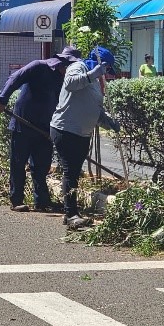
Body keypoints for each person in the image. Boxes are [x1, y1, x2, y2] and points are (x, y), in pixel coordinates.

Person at [0, 46, 81, 213]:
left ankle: (41, 201)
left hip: (45, 128)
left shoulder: (64, 79)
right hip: (23, 124)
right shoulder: (39, 66)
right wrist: (2, 99)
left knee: (41, 166)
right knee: (18, 164)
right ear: (63, 63)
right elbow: (15, 78)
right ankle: (16, 200)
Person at [50, 47, 120, 229]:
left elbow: (93, 108)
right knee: (70, 171)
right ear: (100, 64)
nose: (107, 73)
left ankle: (70, 213)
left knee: (74, 172)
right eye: (106, 68)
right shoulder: (78, 68)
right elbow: (70, 84)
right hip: (66, 129)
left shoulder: (96, 81)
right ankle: (71, 214)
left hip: (82, 133)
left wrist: (108, 122)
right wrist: (92, 74)